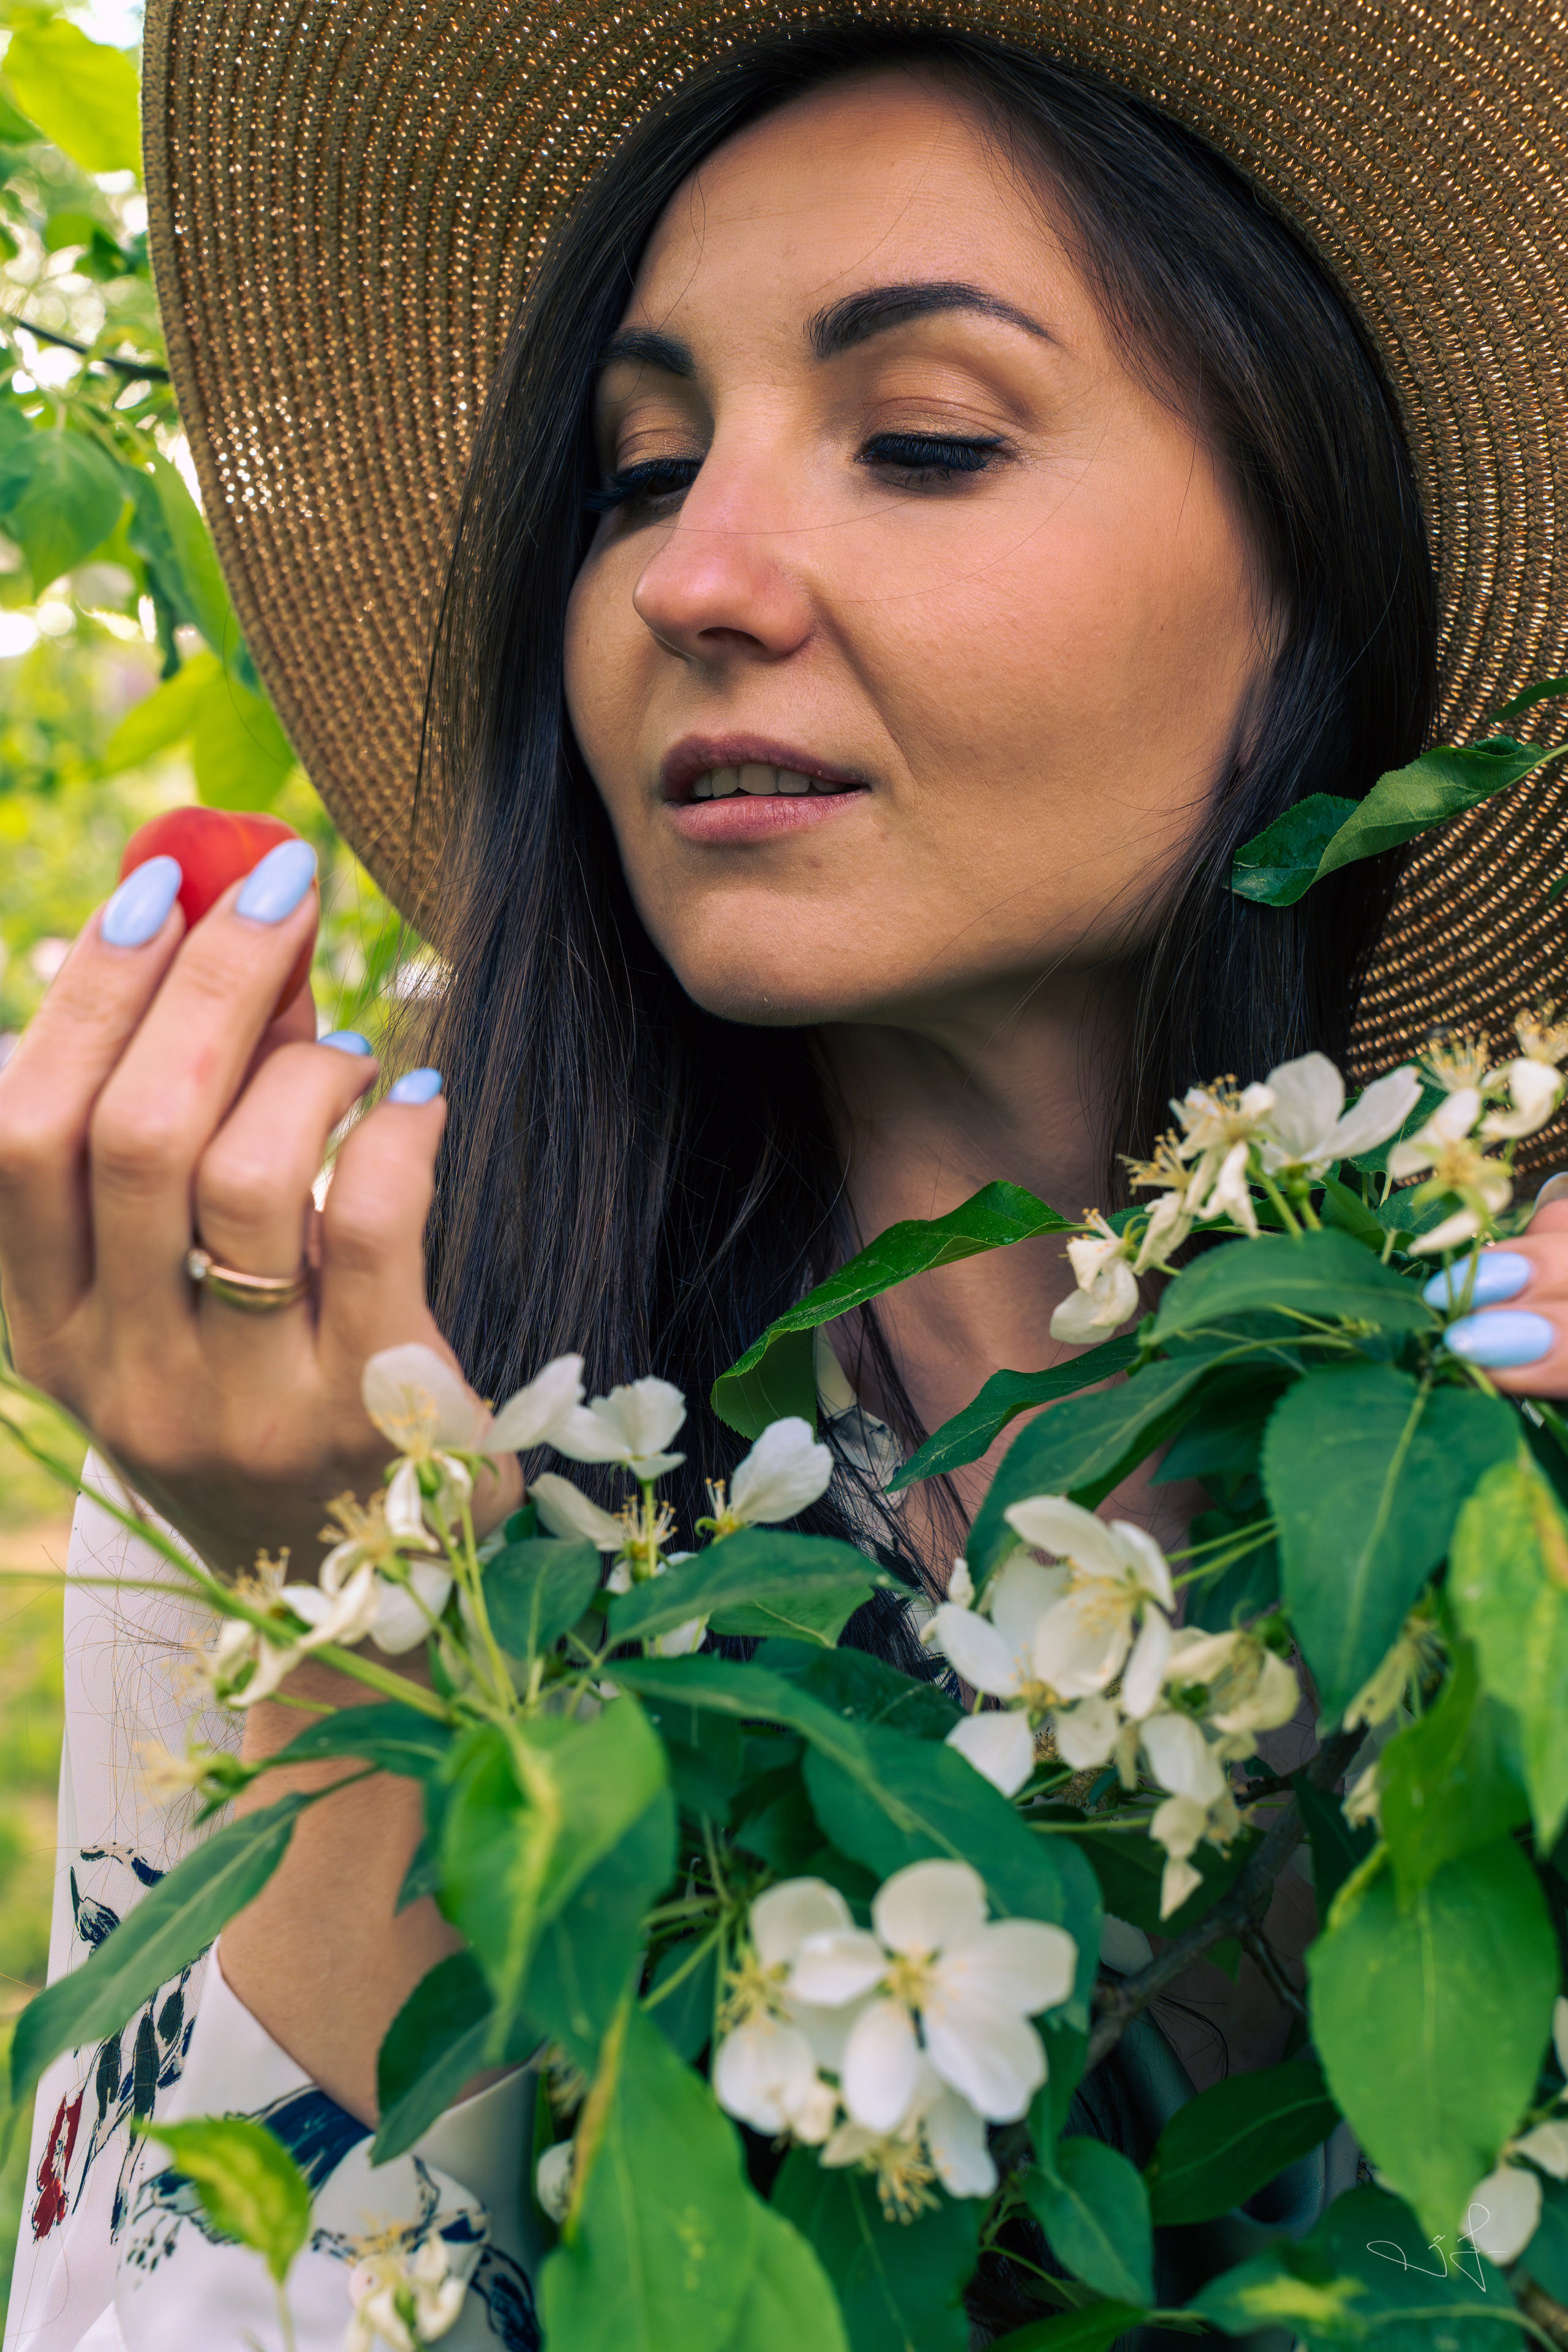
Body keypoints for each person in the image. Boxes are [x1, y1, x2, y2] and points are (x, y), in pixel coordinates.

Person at [3, 6, 1567, 2346]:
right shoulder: (349, 1375)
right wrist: (380, 1661)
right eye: (638, 473)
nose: (690, 580)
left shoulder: (1486, 1349)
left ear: (1323, 573)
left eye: (924, 440)